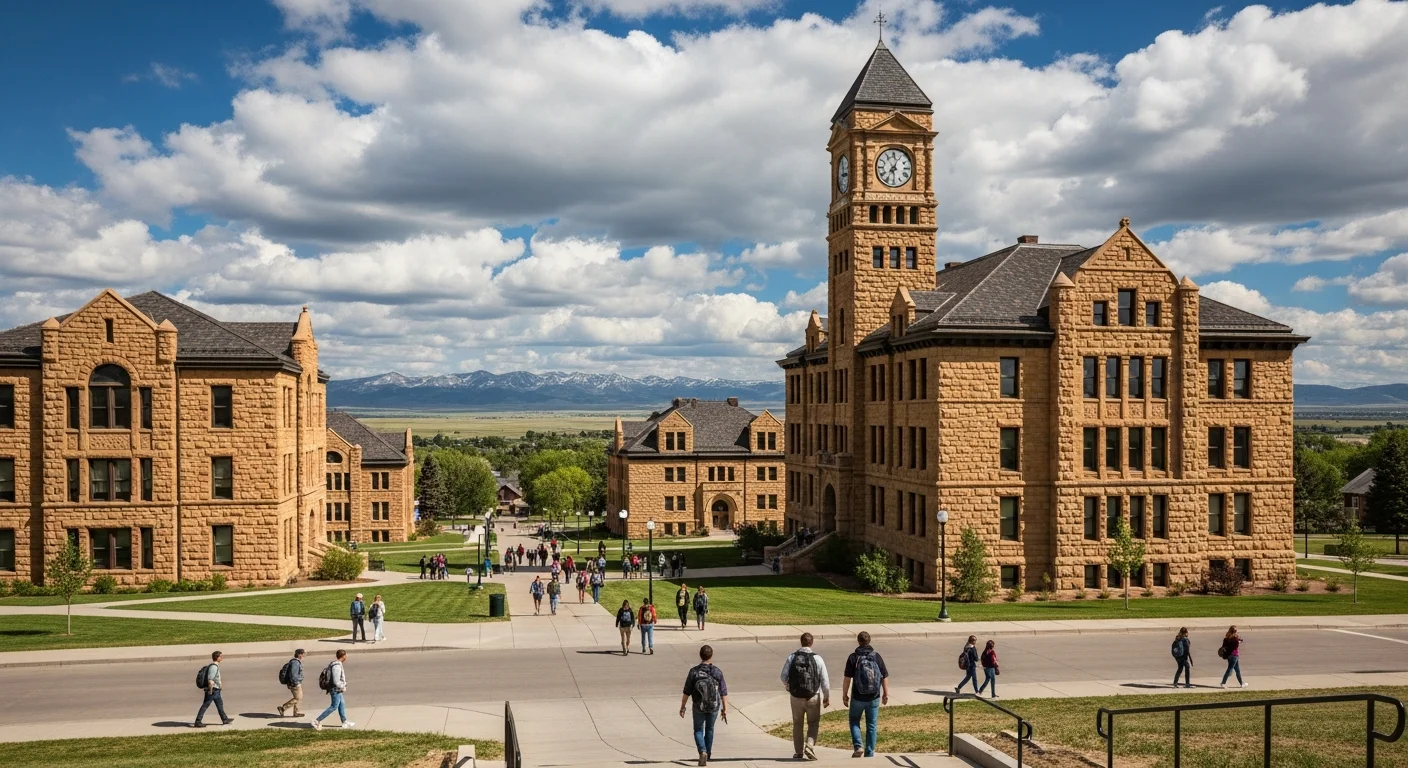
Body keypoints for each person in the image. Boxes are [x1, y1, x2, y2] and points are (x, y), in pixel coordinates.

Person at [781, 632, 830, 761]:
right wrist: (826, 696)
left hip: (796, 696)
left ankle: (798, 752)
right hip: (813, 695)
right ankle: (809, 745)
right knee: (813, 723)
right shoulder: (817, 658)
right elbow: (824, 680)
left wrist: (789, 687)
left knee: (797, 724)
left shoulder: (792, 657)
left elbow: (783, 676)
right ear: (811, 643)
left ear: (801, 642)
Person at [680, 644, 728, 766]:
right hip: (714, 706)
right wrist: (725, 709)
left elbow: (687, 691)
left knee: (698, 729)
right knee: (710, 729)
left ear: (700, 655)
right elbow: (723, 692)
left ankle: (702, 751)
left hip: (698, 706)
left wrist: (683, 706)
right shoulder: (717, 672)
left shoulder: (694, 672)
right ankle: (708, 753)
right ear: (711, 656)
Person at [842, 631, 889, 758]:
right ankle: (869, 752)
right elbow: (884, 676)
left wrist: (845, 694)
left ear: (858, 641)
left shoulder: (853, 657)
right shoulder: (876, 656)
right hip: (874, 697)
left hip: (857, 696)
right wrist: (885, 693)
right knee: (872, 725)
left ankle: (858, 746)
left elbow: (847, 678)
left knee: (854, 721)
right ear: (869, 641)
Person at [313, 649, 354, 730]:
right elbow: (336, 681)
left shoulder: (337, 664)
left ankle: (344, 721)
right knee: (334, 706)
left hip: (337, 689)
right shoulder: (336, 666)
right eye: (346, 655)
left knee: (341, 704)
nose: (347, 656)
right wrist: (342, 686)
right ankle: (317, 720)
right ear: (343, 656)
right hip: (335, 689)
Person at [192, 650, 233, 727]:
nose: (222, 658)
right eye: (221, 656)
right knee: (205, 705)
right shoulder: (213, 667)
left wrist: (219, 686)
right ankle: (198, 721)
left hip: (216, 690)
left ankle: (225, 719)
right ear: (217, 657)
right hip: (212, 690)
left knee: (219, 704)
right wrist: (210, 690)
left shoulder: (215, 666)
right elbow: (210, 680)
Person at [277, 648, 306, 718]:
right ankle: (283, 708)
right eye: (303, 654)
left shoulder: (295, 662)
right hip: (294, 683)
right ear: (299, 655)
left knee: (298, 697)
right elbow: (293, 675)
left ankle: (296, 712)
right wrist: (297, 682)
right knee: (298, 698)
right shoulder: (295, 663)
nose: (304, 655)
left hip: (294, 682)